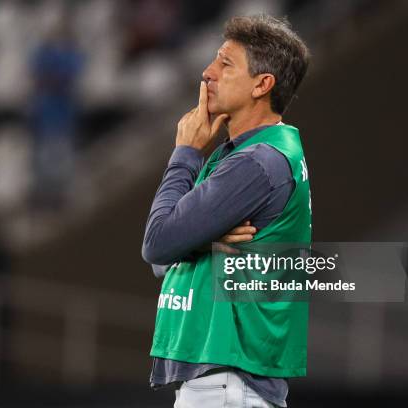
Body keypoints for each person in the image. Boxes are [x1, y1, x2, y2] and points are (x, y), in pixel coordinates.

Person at [141, 14, 311, 408]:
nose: (207, 73)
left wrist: (184, 154)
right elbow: (163, 259)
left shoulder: (256, 163)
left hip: (226, 385)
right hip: (227, 385)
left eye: (225, 64)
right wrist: (200, 243)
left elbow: (157, 244)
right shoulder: (244, 155)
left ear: (262, 84)